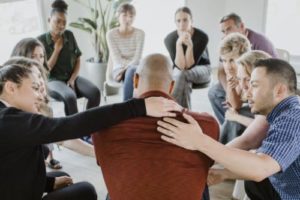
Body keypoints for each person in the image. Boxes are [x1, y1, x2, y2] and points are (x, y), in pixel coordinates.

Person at [0, 57, 181, 200]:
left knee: (60, 176)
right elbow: (69, 126)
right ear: (10, 88)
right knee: (86, 190)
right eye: (34, 88)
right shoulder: (8, 121)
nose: (39, 95)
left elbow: (10, 170)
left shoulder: (9, 118)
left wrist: (47, 183)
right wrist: (138, 106)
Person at [158, 58, 300, 199]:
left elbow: (261, 168)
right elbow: (263, 165)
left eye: (254, 85)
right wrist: (224, 173)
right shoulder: (284, 113)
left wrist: (200, 141)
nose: (246, 94)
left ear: (279, 90)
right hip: (285, 189)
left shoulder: (293, 117)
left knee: (256, 172)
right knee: (254, 174)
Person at [92, 54, 219, 200]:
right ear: (171, 86)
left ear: (135, 80)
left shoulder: (103, 127)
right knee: (201, 179)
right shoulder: (207, 125)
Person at [207, 50, 271, 185]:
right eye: (240, 79)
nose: (242, 86)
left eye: (248, 80)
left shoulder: (271, 104)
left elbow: (247, 140)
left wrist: (205, 160)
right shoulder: (262, 97)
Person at [209, 12, 277, 124]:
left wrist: (237, 114)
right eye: (223, 31)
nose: (226, 34)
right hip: (250, 91)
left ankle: (233, 127)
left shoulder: (259, 44)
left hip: (266, 94)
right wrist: (230, 88)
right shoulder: (228, 45)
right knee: (217, 95)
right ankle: (230, 126)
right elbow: (235, 104)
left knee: (237, 116)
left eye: (229, 29)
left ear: (241, 27)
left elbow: (263, 123)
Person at [37, 0, 100, 118]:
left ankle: (88, 125)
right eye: (57, 21)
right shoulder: (40, 41)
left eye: (64, 23)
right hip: (53, 81)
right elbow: (45, 69)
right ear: (49, 20)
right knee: (70, 96)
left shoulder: (69, 35)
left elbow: (78, 59)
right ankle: (75, 131)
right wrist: (57, 49)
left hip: (72, 77)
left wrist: (72, 79)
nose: (61, 26)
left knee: (95, 92)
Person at [11, 38, 63, 169]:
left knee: (48, 113)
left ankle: (50, 156)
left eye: (41, 56)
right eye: (33, 56)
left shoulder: (40, 73)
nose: (38, 59)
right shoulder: (15, 77)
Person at [165, 7, 211, 109]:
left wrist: (190, 46)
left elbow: (189, 66)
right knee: (183, 78)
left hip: (203, 69)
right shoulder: (169, 39)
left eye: (185, 20)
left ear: (192, 21)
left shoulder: (202, 37)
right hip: (181, 72)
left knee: (182, 74)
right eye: (178, 21)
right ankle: (185, 115)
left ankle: (170, 107)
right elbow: (180, 66)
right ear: (175, 22)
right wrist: (178, 44)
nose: (182, 24)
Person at [213, 32, 252, 143]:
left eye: (232, 60)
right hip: (254, 117)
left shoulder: (251, 75)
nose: (228, 66)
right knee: (232, 115)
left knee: (234, 119)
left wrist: (234, 117)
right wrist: (230, 84)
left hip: (269, 118)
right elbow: (235, 105)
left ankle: (223, 151)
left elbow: (264, 122)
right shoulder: (237, 74)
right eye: (224, 61)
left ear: (244, 58)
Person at [106, 3, 145, 101]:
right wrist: (127, 68)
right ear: (118, 16)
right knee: (132, 71)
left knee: (133, 70)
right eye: (124, 15)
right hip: (119, 69)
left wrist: (128, 68)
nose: (128, 19)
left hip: (136, 67)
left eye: (131, 16)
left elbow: (137, 58)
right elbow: (117, 59)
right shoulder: (111, 34)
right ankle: (127, 105)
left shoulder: (140, 33)